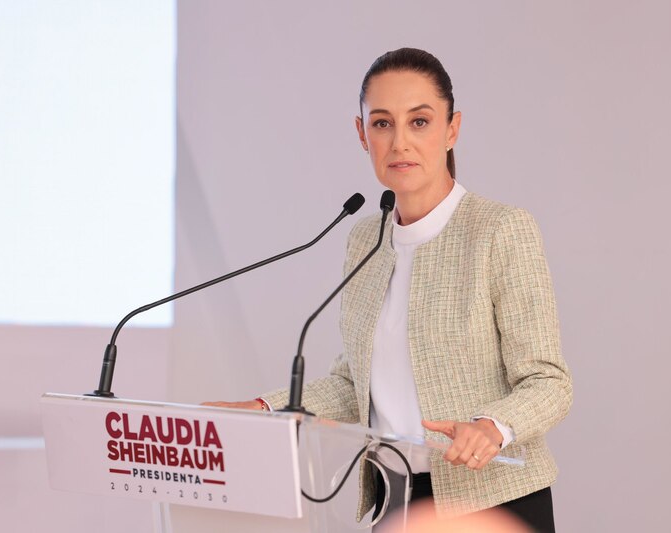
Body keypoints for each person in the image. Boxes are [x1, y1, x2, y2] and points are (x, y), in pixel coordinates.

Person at [204, 47, 572, 532]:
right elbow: (353, 385)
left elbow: (549, 381)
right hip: (396, 502)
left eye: (419, 122)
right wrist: (266, 408)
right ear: (362, 134)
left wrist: (491, 428)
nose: (400, 142)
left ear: (452, 128)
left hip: (491, 505)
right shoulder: (364, 240)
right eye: (382, 124)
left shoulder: (499, 230)